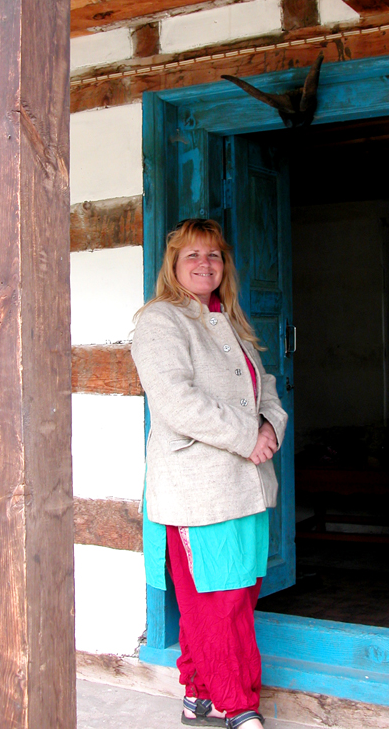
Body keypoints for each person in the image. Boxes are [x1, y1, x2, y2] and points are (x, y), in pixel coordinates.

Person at [131, 218, 288, 729]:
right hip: (199, 488)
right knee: (218, 601)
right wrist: (249, 437)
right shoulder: (161, 320)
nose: (205, 264)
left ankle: (199, 692)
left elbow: (263, 385)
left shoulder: (231, 321)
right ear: (174, 266)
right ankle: (237, 705)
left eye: (214, 255)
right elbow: (177, 402)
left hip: (245, 484)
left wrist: (268, 426)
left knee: (234, 594)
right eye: (192, 255)